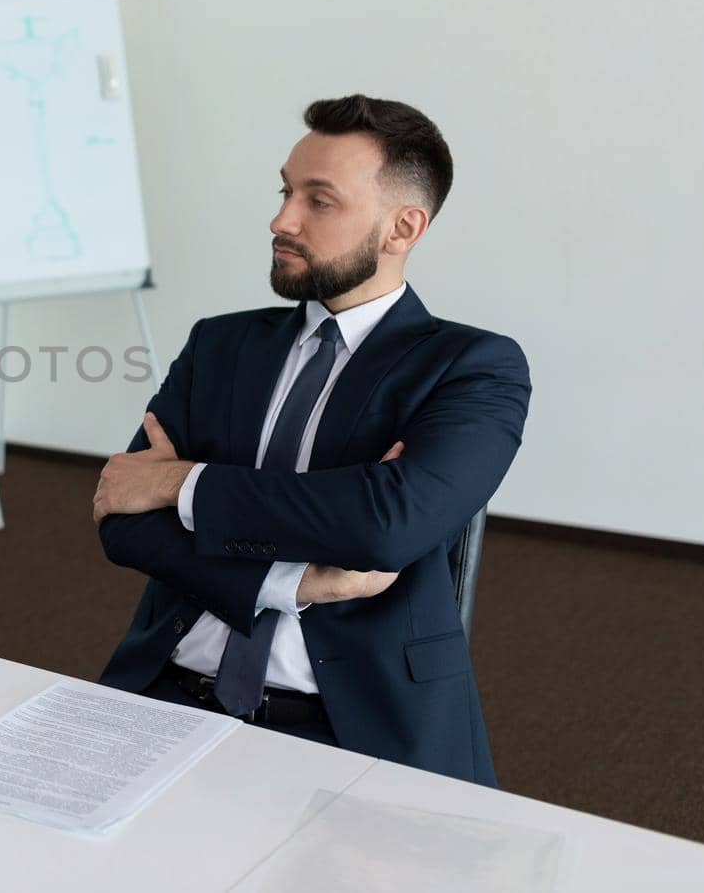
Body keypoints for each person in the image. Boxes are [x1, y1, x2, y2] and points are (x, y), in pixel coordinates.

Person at [92, 95, 530, 786]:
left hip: (352, 722)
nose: (281, 219)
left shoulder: (472, 367)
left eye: (318, 201)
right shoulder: (220, 344)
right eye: (285, 191)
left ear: (402, 228)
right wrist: (299, 580)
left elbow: (384, 525)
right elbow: (122, 518)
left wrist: (182, 483)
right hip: (168, 687)